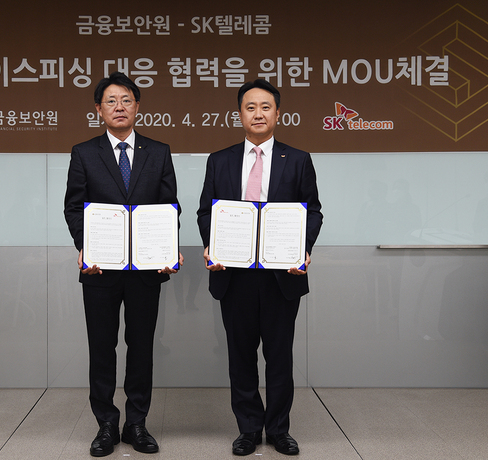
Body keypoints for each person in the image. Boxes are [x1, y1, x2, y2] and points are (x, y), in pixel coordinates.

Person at [197, 79, 322, 456]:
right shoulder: (219, 160)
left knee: (280, 357)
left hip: (281, 275)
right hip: (233, 275)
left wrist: (302, 249)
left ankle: (279, 430)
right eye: (250, 107)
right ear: (239, 114)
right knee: (241, 357)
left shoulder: (297, 159)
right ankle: (249, 429)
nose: (258, 113)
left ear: (278, 113)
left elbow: (312, 211)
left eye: (265, 107)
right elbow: (206, 212)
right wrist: (212, 245)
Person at [64, 72, 182, 457]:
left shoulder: (158, 152)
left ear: (137, 107)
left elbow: (170, 207)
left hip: (145, 269)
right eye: (111, 101)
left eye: (126, 100)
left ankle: (136, 423)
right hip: (100, 269)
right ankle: (106, 424)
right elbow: (74, 207)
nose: (119, 107)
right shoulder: (84, 152)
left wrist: (168, 248)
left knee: (141, 346)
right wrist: (85, 247)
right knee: (102, 347)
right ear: (98, 110)